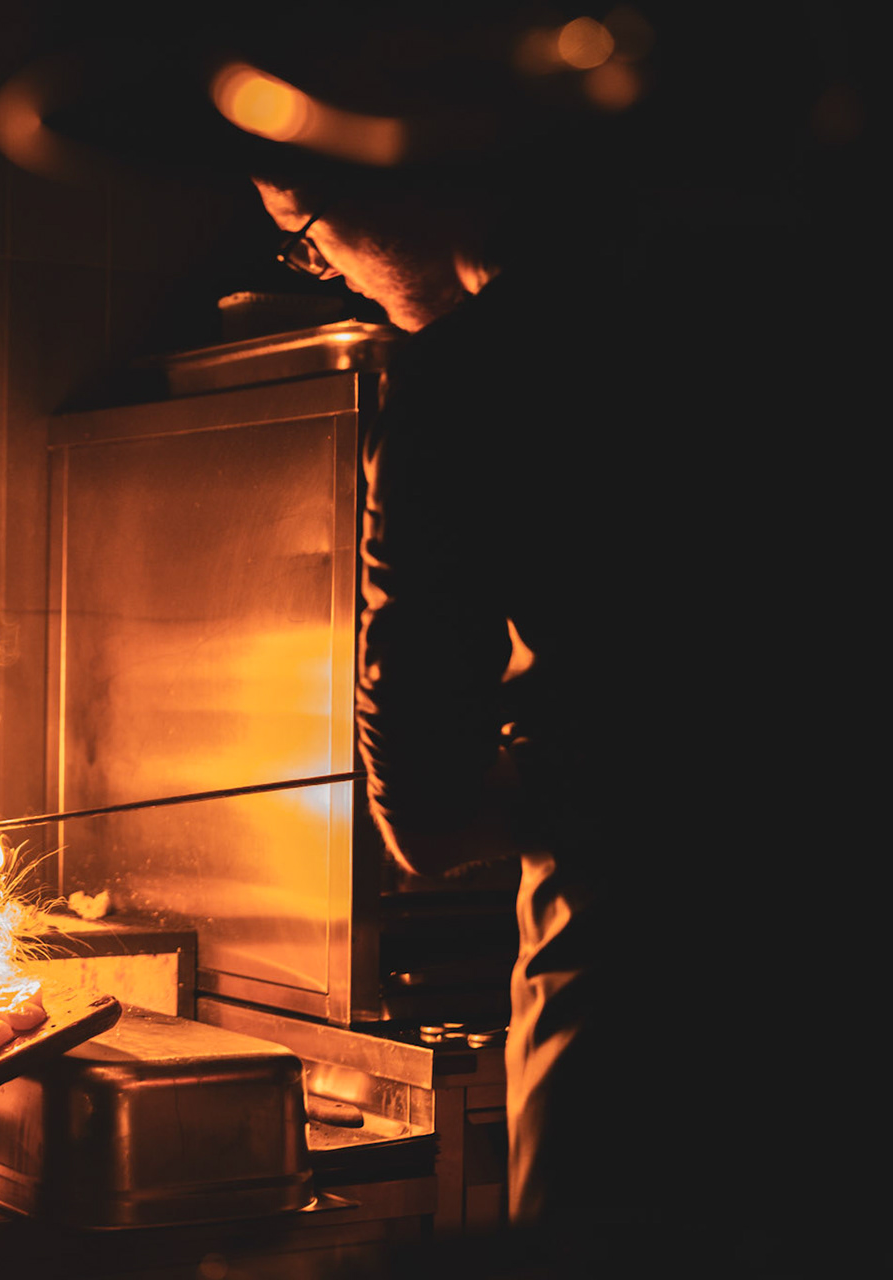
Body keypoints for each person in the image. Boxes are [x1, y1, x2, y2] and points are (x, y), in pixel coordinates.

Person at [248, 135, 814, 1266]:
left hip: (640, 975)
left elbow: (427, 813)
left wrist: (576, 767)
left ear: (388, 173)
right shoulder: (793, 292)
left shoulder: (465, 378)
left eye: (307, 241)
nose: (332, 273)